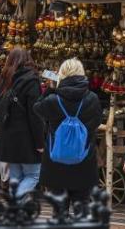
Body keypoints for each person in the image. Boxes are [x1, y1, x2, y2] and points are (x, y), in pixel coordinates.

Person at [33, 58, 102, 213]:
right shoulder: (92, 99)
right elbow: (97, 123)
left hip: (56, 164)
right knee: (83, 209)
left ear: (61, 75)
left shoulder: (53, 100)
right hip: (84, 162)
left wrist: (51, 89)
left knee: (59, 211)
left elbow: (37, 108)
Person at [0, 47, 44, 198]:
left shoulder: (1, 81)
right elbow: (35, 116)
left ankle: (16, 214)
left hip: (7, 137)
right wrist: (40, 143)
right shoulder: (31, 81)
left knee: (16, 178)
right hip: (26, 139)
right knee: (34, 175)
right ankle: (15, 203)